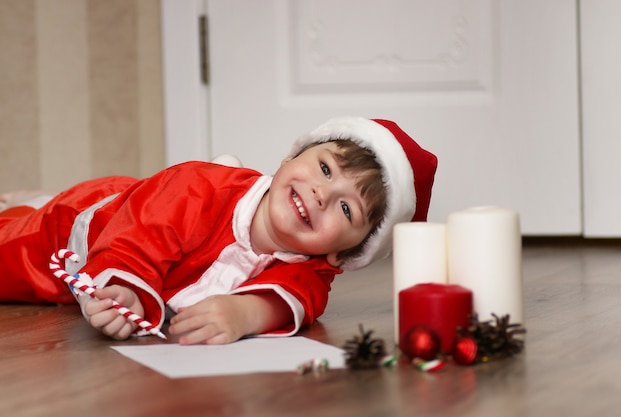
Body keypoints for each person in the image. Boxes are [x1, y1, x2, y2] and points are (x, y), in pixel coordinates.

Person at [0, 116, 437, 345]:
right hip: (85, 227)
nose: (322, 194)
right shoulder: (198, 189)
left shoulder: (311, 267)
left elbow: (303, 301)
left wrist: (245, 314)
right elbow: (140, 235)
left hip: (141, 217)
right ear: (288, 160)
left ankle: (25, 202)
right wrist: (126, 287)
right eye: (324, 168)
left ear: (345, 254)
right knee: (12, 253)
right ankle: (34, 206)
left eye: (346, 207)